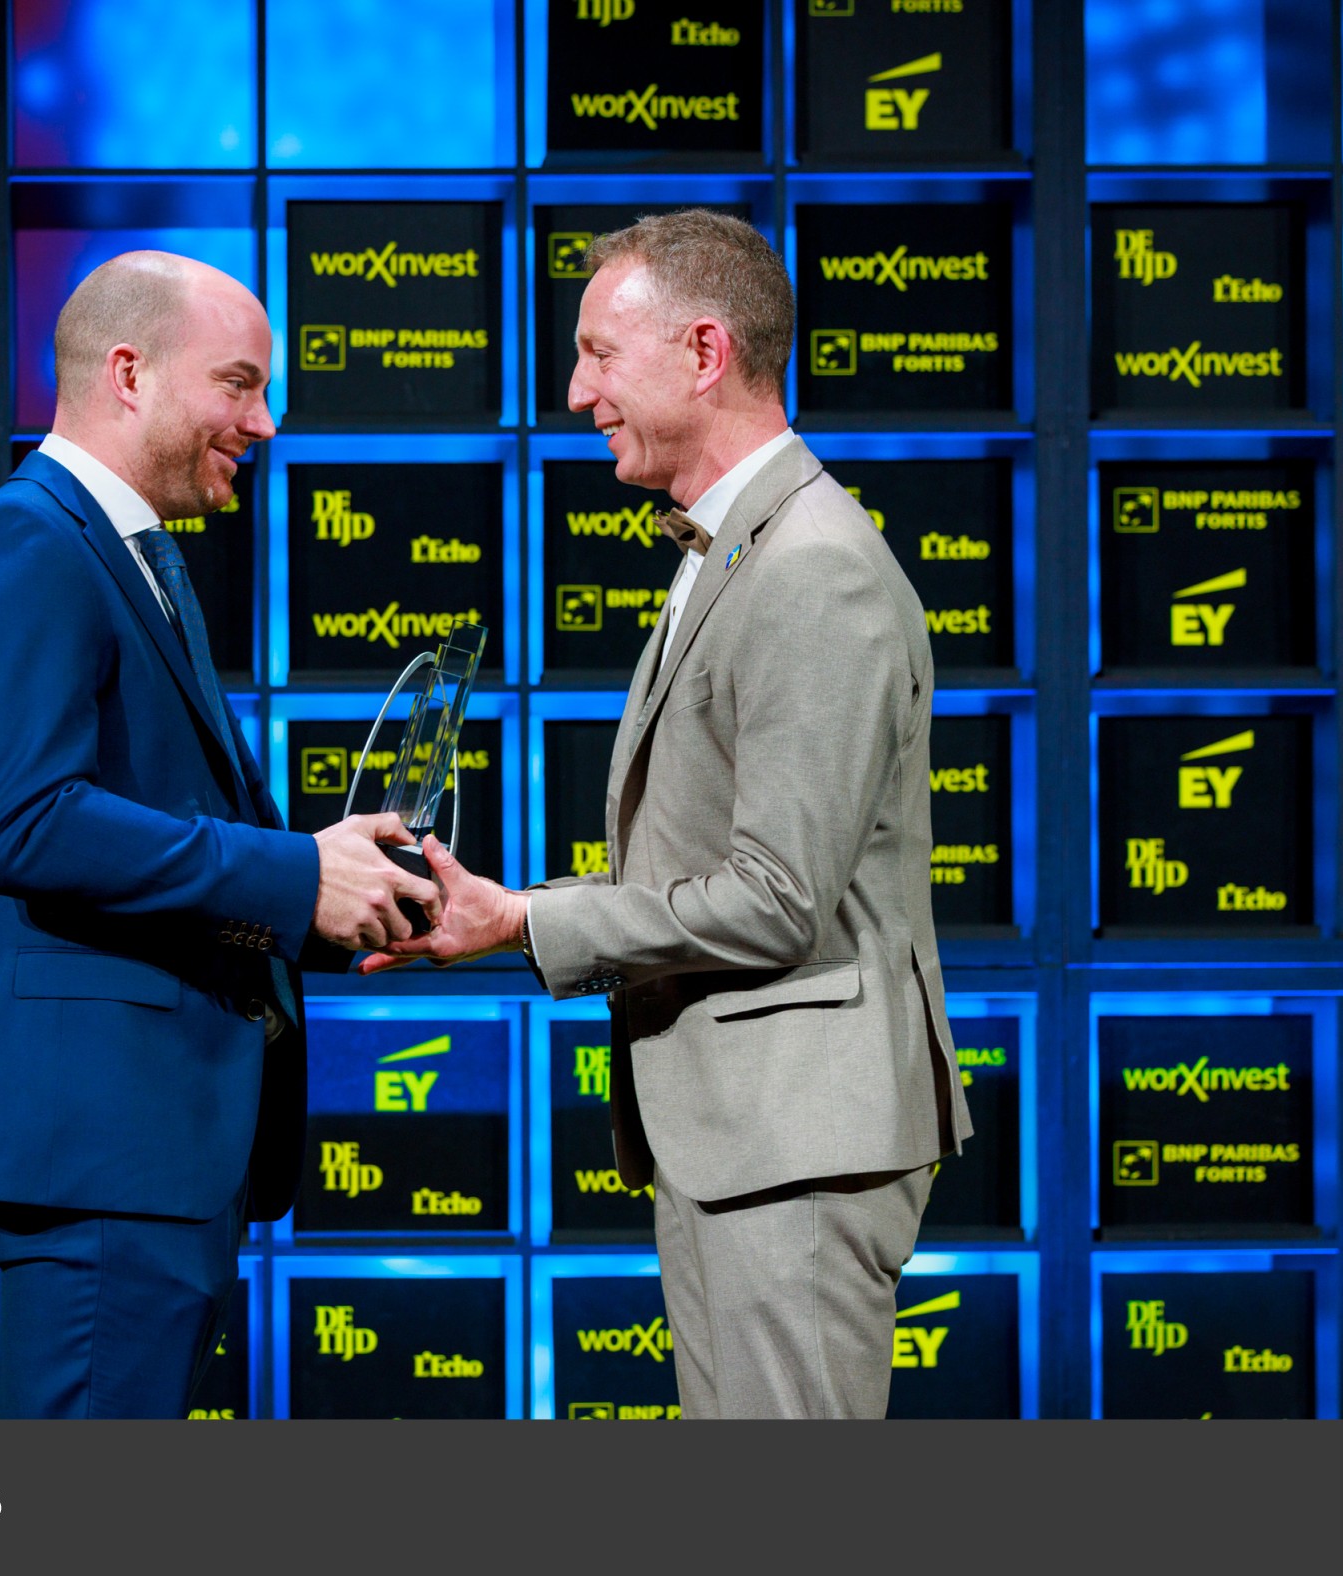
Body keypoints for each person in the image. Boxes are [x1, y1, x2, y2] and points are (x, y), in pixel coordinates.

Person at [370, 210, 970, 1419]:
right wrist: (505, 911)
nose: (575, 391)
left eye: (599, 353)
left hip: (795, 1141)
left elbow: (776, 900)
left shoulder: (811, 568)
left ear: (703, 353)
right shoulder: (737, 546)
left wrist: (523, 922)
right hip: (749, 1136)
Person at [0, 252, 436, 1419]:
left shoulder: (130, 555)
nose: (264, 422)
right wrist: (293, 872)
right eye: (238, 383)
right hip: (96, 1149)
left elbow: (152, 827)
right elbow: (30, 824)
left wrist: (336, 891)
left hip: (145, 1153)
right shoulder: (23, 546)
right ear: (128, 375)